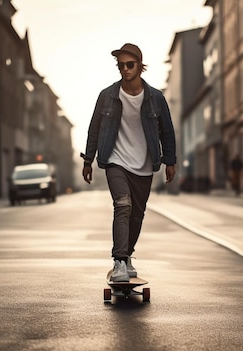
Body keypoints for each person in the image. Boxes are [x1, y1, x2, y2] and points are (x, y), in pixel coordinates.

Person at [81, 43, 177, 282]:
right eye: (120, 65)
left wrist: (170, 161)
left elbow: (167, 131)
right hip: (115, 161)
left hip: (144, 165)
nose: (124, 69)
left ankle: (127, 256)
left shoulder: (155, 97)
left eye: (129, 65)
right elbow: (94, 129)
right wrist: (88, 160)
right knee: (123, 205)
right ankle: (119, 261)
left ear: (140, 66)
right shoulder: (107, 96)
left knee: (137, 215)